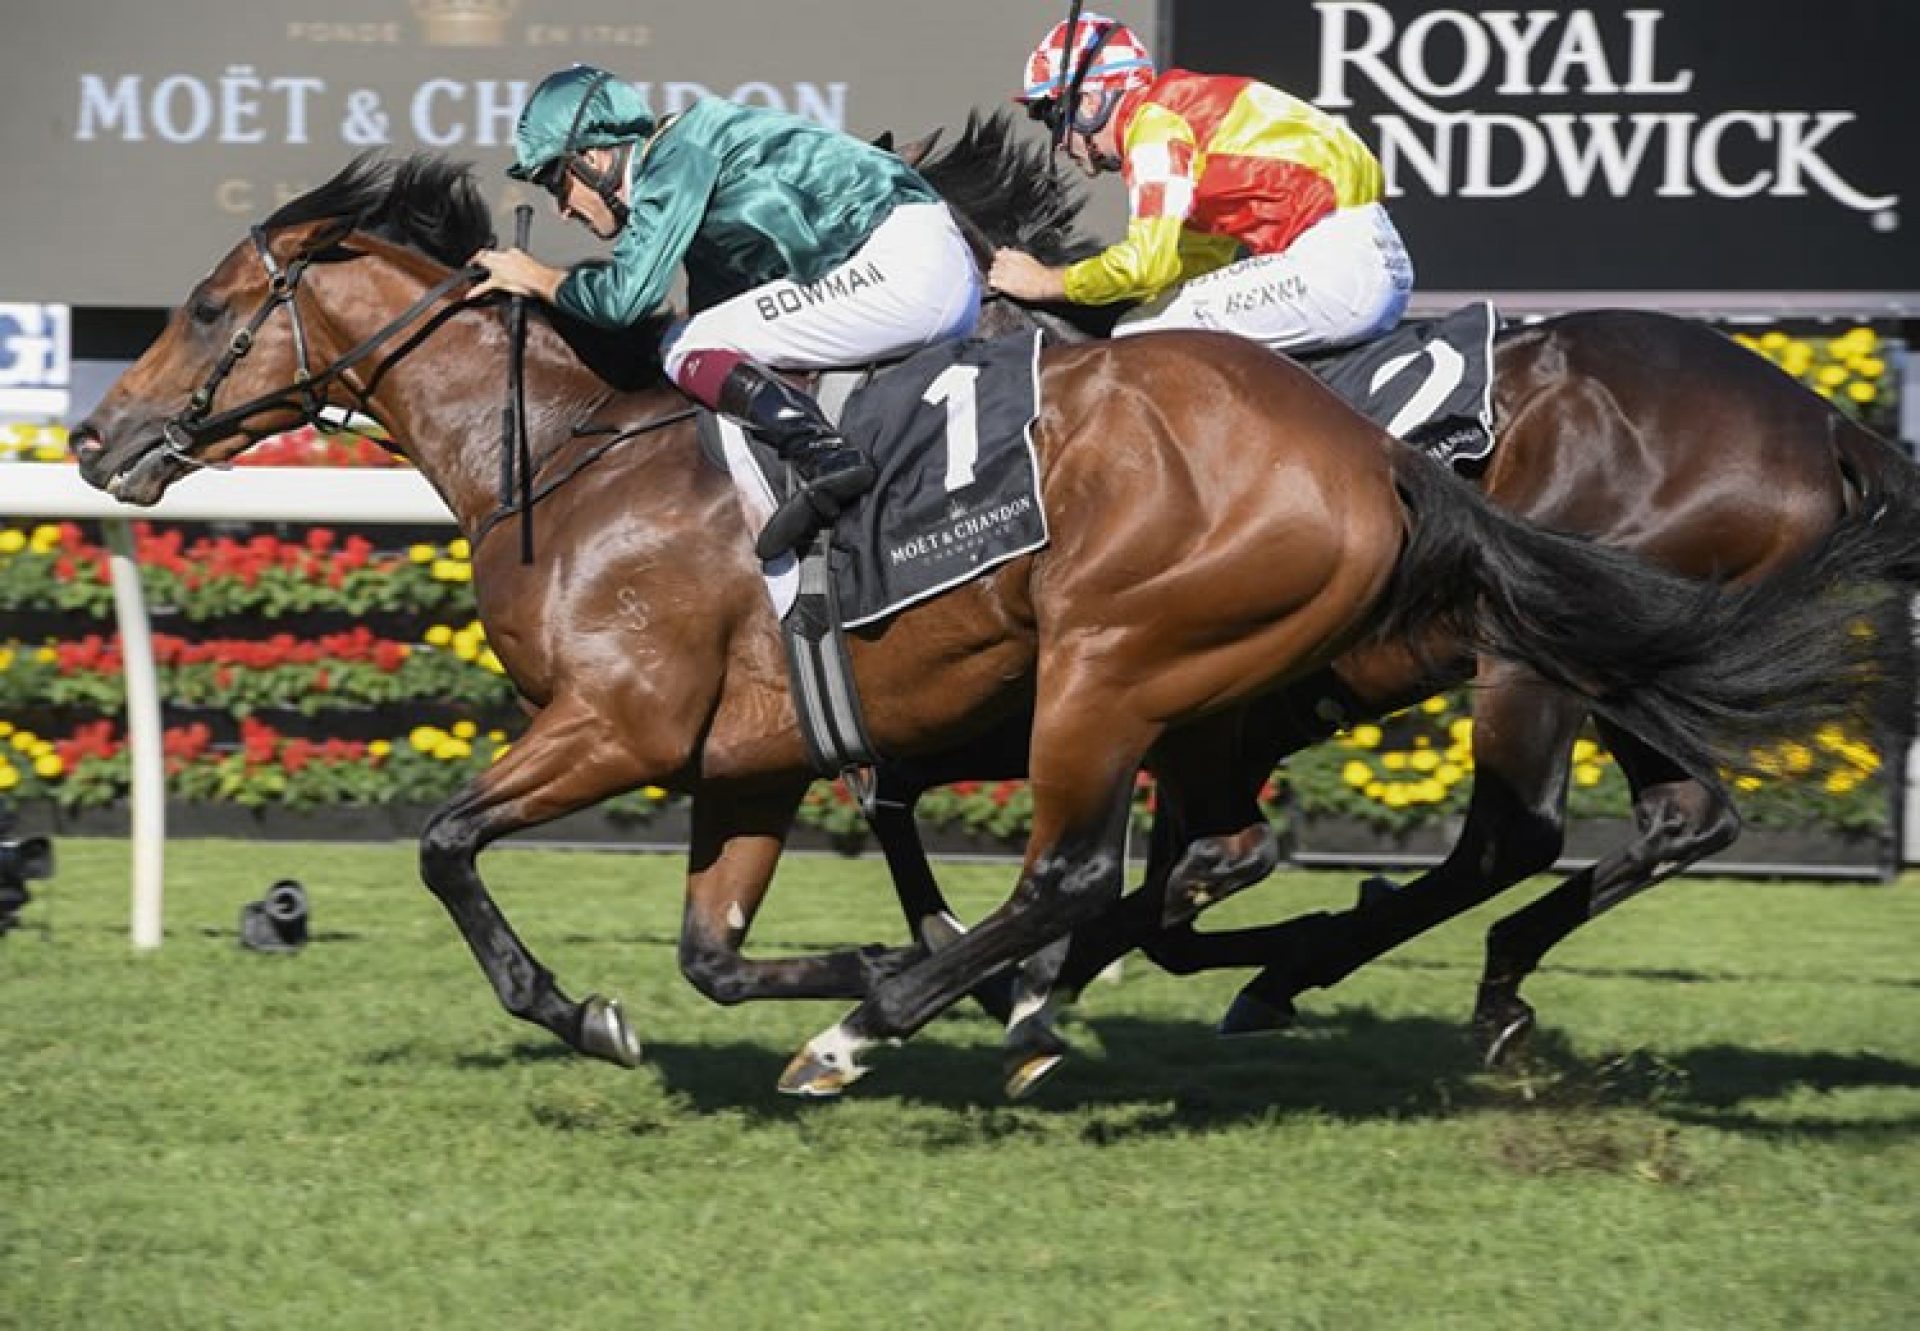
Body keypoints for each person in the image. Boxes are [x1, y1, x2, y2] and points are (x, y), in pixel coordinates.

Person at [471, 65, 982, 559]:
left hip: (905, 271)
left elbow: (623, 301)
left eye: (558, 182)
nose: (562, 208)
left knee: (684, 345)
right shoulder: (694, 161)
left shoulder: (674, 159)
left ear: (596, 158)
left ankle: (824, 454)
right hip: (925, 267)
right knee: (696, 339)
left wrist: (536, 277)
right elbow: (714, 313)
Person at [989, 13, 1414, 356]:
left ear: (1091, 101)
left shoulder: (1154, 126)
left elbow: (1144, 266)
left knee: (1139, 336)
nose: (1059, 142)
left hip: (1334, 268)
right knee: (1161, 313)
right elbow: (1191, 269)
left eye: (1051, 116)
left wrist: (1047, 281)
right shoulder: (1189, 114)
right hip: (1377, 262)